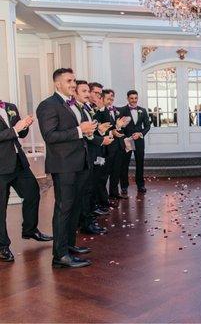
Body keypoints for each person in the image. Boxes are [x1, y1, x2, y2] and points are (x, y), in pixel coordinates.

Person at [37, 68, 96, 268]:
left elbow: (75, 133)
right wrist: (80, 130)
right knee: (64, 208)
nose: (73, 84)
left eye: (73, 80)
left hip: (79, 163)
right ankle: (60, 255)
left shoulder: (73, 105)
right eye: (69, 81)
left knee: (74, 207)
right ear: (58, 84)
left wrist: (87, 133)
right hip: (64, 166)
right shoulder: (48, 105)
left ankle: (69, 246)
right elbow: (50, 136)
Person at [0, 99, 52, 262]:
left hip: (18, 162)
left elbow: (20, 133)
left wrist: (25, 125)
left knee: (32, 192)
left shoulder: (10, 107)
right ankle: (2, 246)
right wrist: (15, 129)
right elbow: (13, 131)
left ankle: (30, 229)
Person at [74, 81, 112, 236]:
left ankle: (88, 220)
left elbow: (91, 131)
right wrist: (100, 138)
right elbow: (85, 133)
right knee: (85, 190)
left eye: (97, 93)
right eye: (90, 92)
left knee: (89, 189)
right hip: (84, 154)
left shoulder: (86, 108)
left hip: (92, 152)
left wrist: (100, 132)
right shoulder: (79, 108)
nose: (93, 95)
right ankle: (85, 222)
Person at [95, 89, 128, 202]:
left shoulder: (116, 111)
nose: (111, 101)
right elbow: (100, 130)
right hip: (107, 148)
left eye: (112, 98)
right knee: (104, 174)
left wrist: (119, 127)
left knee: (116, 171)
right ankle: (103, 199)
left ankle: (114, 193)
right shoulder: (99, 112)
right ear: (102, 99)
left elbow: (117, 126)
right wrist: (114, 130)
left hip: (118, 146)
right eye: (108, 99)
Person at [119, 90, 151, 194]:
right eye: (131, 98)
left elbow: (147, 126)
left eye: (135, 98)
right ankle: (124, 186)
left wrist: (140, 134)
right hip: (127, 140)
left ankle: (140, 185)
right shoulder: (122, 110)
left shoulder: (143, 110)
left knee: (140, 163)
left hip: (139, 141)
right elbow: (119, 127)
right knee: (124, 164)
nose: (134, 100)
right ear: (128, 98)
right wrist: (125, 137)